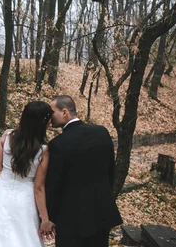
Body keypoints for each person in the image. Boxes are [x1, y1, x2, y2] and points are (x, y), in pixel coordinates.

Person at [43, 95, 122, 247]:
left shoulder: (58, 145)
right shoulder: (101, 132)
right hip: (101, 212)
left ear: (64, 112)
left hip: (71, 218)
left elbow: (54, 186)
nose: (49, 117)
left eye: (52, 112)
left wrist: (49, 218)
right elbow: (110, 171)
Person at [0, 101, 54, 247]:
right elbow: (39, 188)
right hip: (25, 196)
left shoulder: (7, 136)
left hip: (2, 190)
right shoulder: (43, 149)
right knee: (23, 235)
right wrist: (45, 219)